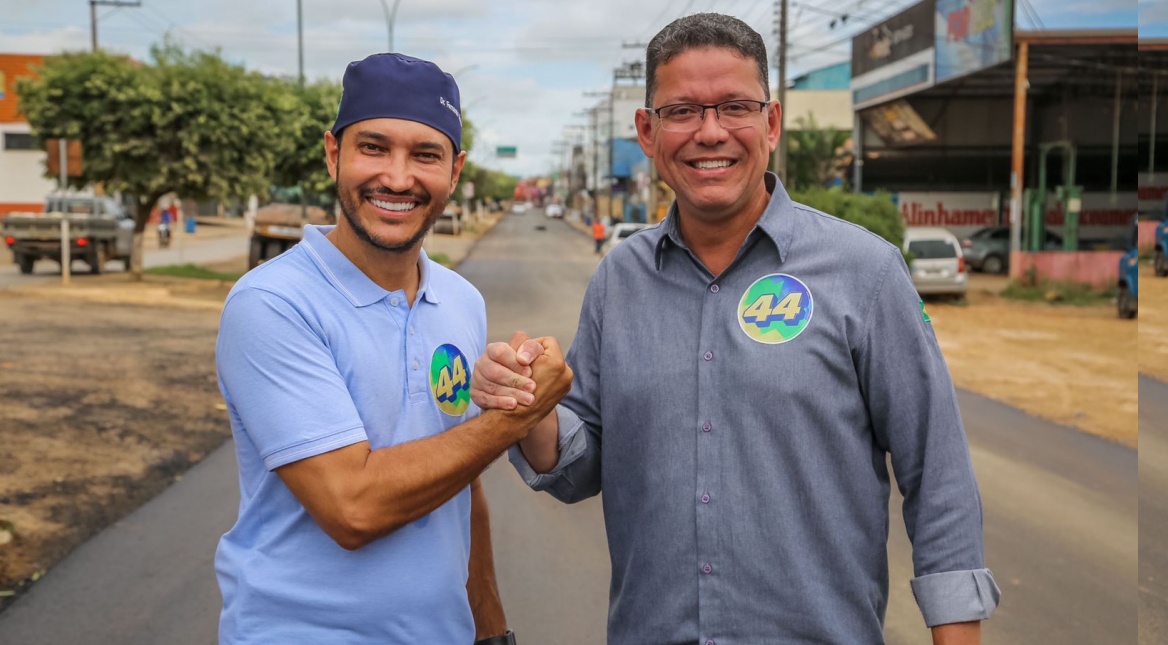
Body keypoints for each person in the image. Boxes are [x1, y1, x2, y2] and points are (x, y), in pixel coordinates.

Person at [470, 13, 998, 645]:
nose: (710, 132)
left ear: (771, 123)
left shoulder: (865, 272)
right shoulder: (620, 281)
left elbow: (936, 478)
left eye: (735, 107)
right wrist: (533, 406)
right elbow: (580, 468)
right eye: (683, 111)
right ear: (647, 130)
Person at [213, 52, 572, 644]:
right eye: (374, 147)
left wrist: (491, 630)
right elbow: (353, 508)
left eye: (424, 155)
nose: (398, 178)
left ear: (455, 171)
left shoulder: (460, 301)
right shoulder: (274, 304)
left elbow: (458, 476)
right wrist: (520, 416)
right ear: (334, 154)